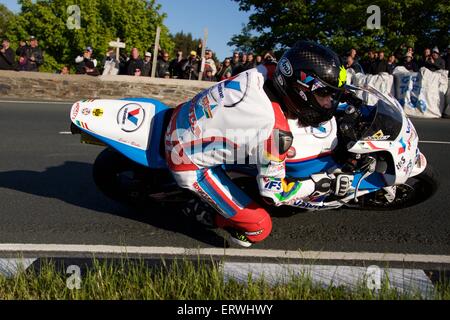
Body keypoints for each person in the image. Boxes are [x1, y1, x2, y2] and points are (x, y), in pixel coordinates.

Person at [165, 41, 351, 247]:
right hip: (185, 160)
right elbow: (275, 193)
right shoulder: (274, 130)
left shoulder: (267, 70)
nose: (328, 102)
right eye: (323, 94)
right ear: (300, 90)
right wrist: (317, 184)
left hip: (182, 114)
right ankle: (200, 211)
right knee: (259, 228)